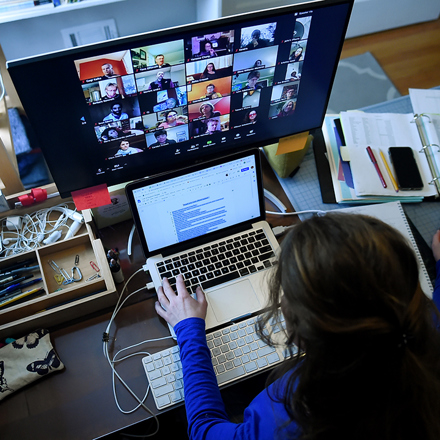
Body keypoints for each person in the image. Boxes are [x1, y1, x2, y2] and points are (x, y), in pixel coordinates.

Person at [155, 214, 440, 440]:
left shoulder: (288, 418)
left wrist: (189, 329)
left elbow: (205, 432)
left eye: (286, 294)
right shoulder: (426, 325)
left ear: (304, 333)